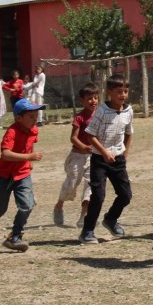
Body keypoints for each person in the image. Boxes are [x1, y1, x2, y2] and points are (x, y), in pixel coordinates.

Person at [0, 98, 45, 252]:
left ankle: (15, 237)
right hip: (3, 176)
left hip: (23, 175)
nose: (35, 120)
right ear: (18, 118)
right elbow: (5, 154)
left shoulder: (34, 130)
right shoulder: (11, 132)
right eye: (31, 116)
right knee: (0, 209)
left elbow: (29, 145)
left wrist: (29, 162)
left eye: (36, 115)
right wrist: (29, 157)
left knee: (27, 205)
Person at [78, 74, 133, 244]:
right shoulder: (102, 111)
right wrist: (103, 152)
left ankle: (110, 219)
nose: (123, 95)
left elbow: (129, 133)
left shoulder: (128, 110)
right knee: (98, 196)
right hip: (99, 159)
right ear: (109, 92)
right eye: (119, 91)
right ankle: (87, 231)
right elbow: (90, 135)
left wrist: (124, 154)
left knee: (126, 195)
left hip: (117, 160)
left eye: (125, 91)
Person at [53, 82, 98, 228]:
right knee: (72, 183)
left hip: (94, 157)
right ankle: (59, 205)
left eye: (95, 97)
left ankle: (84, 215)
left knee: (91, 185)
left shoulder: (100, 115)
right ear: (82, 101)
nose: (93, 101)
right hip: (78, 156)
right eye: (89, 98)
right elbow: (73, 138)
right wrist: (84, 147)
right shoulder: (79, 118)